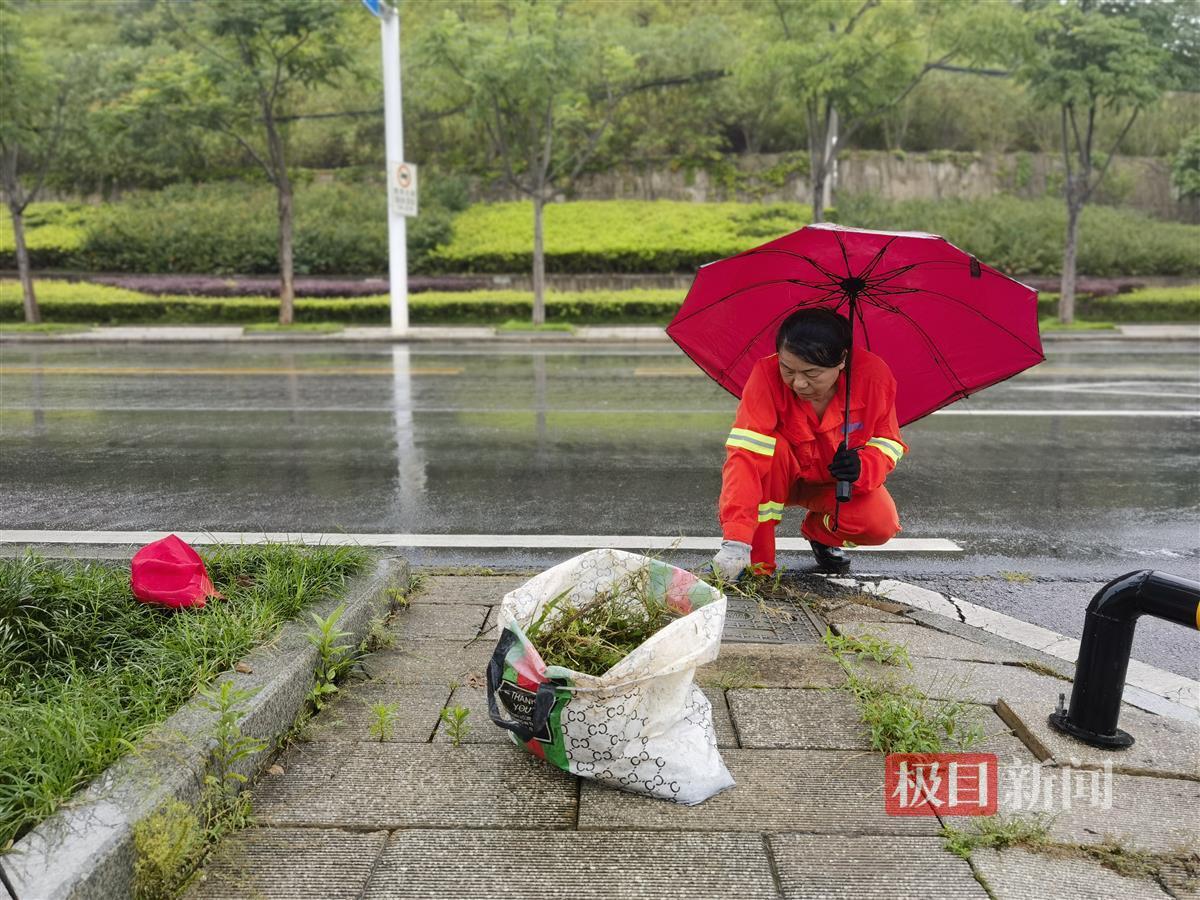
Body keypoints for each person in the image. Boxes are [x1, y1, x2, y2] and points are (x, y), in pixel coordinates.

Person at [711, 307, 906, 579]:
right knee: (770, 450)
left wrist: (863, 466)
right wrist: (736, 540)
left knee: (879, 524)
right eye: (787, 369)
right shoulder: (765, 375)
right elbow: (746, 457)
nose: (799, 383)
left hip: (833, 483)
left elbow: (889, 441)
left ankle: (820, 534)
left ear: (842, 360)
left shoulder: (874, 377)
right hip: (778, 479)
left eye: (812, 373)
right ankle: (756, 566)